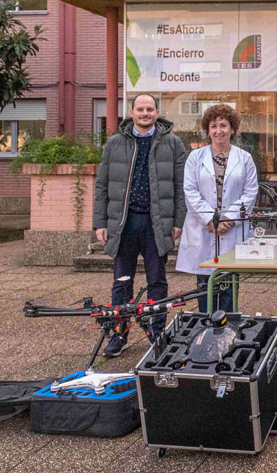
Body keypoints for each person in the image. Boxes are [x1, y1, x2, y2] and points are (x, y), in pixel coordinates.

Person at [93, 93, 186, 357]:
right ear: (131, 113)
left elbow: (180, 187)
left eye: (150, 109)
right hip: (125, 222)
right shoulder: (114, 144)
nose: (145, 113)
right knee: (122, 281)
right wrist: (100, 222)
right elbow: (102, 185)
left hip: (157, 222)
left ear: (157, 113)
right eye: (140, 109)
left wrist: (178, 221)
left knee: (157, 280)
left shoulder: (173, 144)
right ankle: (118, 335)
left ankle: (157, 334)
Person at [176, 104, 258, 313]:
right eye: (214, 126)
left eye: (224, 125)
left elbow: (249, 193)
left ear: (232, 129)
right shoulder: (195, 158)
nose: (219, 130)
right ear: (208, 130)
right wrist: (211, 220)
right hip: (205, 229)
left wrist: (227, 219)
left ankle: (228, 332)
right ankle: (205, 330)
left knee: (229, 284)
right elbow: (190, 192)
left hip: (231, 229)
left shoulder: (244, 158)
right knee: (205, 286)